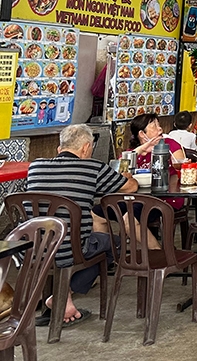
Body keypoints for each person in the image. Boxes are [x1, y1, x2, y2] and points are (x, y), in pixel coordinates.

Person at [27, 124, 137, 327]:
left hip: (33, 249)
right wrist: (127, 178)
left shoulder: (35, 166)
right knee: (116, 244)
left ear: (59, 149)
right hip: (71, 249)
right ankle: (63, 295)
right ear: (86, 148)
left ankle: (60, 298)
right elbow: (130, 187)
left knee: (85, 241)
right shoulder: (92, 168)